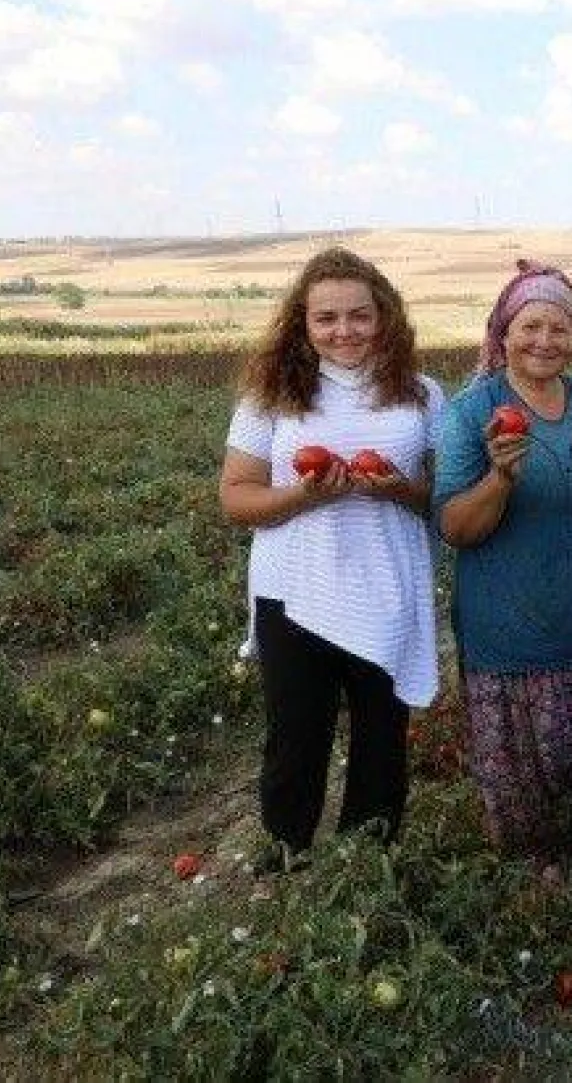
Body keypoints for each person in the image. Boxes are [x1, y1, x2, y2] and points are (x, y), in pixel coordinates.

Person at [219, 246, 445, 873]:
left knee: (382, 739)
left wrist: (395, 488)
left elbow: (442, 497)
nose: (343, 331)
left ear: (385, 317)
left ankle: (365, 866)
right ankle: (289, 853)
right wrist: (303, 494)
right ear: (303, 323)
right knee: (296, 737)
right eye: (326, 319)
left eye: (358, 315)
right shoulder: (271, 395)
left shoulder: (422, 395)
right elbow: (236, 498)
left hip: (386, 586)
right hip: (293, 588)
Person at [435, 260, 572, 858]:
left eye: (559, 329)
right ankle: (534, 894)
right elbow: (455, 526)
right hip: (512, 641)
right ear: (503, 332)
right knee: (521, 798)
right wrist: (500, 479)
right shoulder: (473, 411)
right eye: (531, 326)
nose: (544, 341)